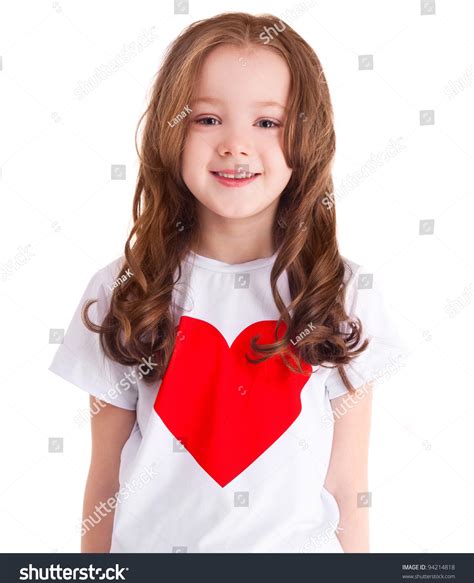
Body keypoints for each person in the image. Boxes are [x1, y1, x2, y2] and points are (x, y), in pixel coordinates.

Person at [49, 12, 408, 553]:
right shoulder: (126, 289)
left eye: (267, 123)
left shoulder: (342, 290)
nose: (236, 146)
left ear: (306, 138)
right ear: (171, 129)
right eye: (207, 119)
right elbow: (104, 484)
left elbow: (346, 485)